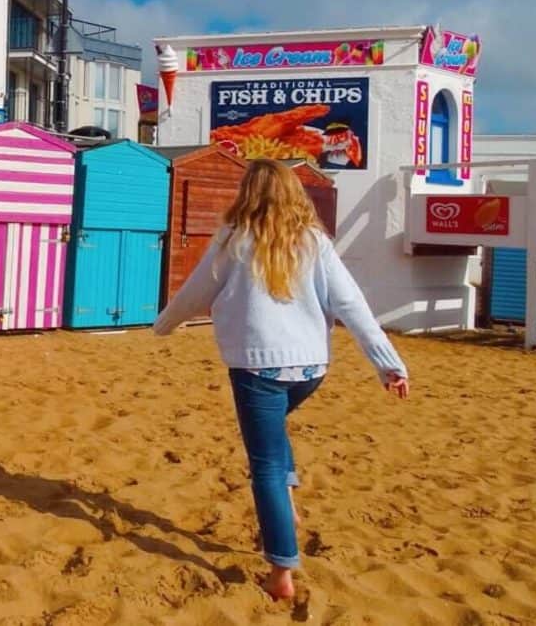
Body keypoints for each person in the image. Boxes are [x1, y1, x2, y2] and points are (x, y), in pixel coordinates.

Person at [153, 159, 409, 602]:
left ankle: (281, 570)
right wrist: (389, 366)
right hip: (311, 370)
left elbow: (195, 293)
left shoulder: (233, 240)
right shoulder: (315, 243)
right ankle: (287, 502)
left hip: (257, 368)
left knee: (265, 465)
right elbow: (353, 306)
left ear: (247, 193)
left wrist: (162, 326)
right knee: (273, 440)